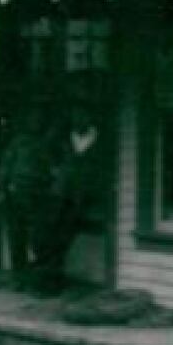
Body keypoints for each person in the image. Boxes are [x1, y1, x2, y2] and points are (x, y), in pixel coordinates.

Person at [35, 100, 102, 291]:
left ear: (90, 118)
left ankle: (51, 280)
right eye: (74, 116)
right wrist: (55, 172)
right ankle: (47, 282)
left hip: (82, 199)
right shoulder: (62, 138)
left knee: (63, 239)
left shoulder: (98, 139)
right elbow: (46, 156)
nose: (77, 119)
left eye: (82, 115)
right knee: (49, 237)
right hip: (58, 195)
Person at [0, 105, 52, 288]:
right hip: (16, 195)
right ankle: (18, 277)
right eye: (32, 118)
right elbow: (5, 166)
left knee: (38, 238)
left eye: (38, 119)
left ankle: (37, 279)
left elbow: (51, 171)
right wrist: (3, 189)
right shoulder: (18, 142)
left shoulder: (46, 143)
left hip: (38, 196)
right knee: (16, 237)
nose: (35, 122)